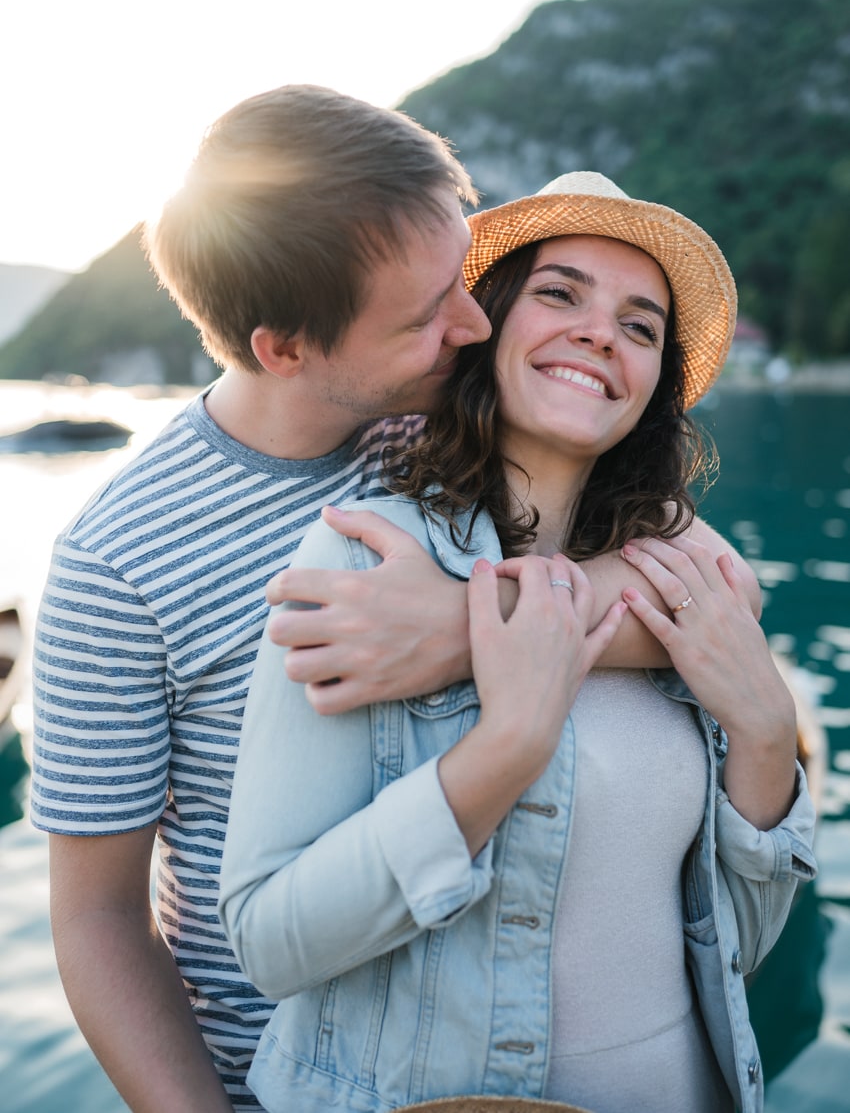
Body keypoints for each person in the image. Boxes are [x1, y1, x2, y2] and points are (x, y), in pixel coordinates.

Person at [28, 91, 745, 1113]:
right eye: (424, 315)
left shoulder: (441, 418)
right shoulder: (117, 560)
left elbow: (721, 583)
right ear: (285, 349)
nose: (470, 321)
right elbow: (98, 920)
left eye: (462, 279)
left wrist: (462, 633)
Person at [219, 172, 818, 1113]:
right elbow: (270, 942)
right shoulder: (368, 554)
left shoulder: (681, 585)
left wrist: (767, 736)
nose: (599, 334)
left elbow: (737, 937)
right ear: (487, 323)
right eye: (559, 293)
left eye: (641, 325)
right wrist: (506, 752)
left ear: (656, 383)